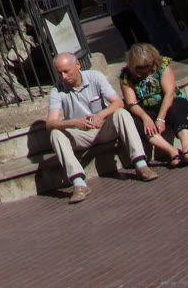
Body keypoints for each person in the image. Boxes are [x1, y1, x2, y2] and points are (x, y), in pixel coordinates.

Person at [45, 52, 157, 203]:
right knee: (55, 134)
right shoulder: (56, 90)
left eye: (67, 71)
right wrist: (74, 122)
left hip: (104, 129)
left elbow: (118, 102)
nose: (64, 77)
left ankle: (141, 165)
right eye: (59, 73)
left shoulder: (95, 77)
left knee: (121, 113)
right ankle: (79, 184)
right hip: (81, 134)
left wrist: (101, 115)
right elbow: (50, 123)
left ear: (77, 65)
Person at [119, 43, 188, 168]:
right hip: (147, 107)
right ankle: (172, 152)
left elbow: (169, 94)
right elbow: (131, 103)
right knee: (137, 123)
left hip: (170, 101)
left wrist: (160, 118)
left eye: (148, 66)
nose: (145, 70)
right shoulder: (126, 75)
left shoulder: (162, 65)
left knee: (175, 112)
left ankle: (187, 147)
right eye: (140, 68)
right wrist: (145, 118)